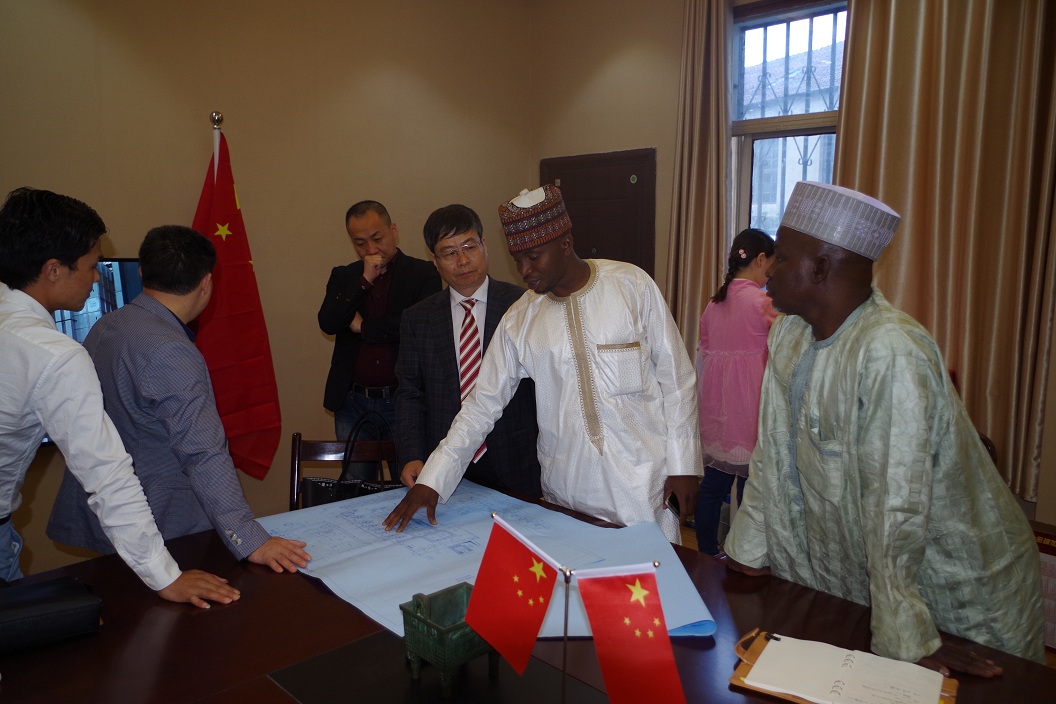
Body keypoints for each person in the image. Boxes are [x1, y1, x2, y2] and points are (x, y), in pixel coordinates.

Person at [723, 181, 1044, 675]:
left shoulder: (890, 350)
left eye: (781, 258)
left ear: (820, 268)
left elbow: (896, 506)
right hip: (862, 594)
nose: (768, 273)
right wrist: (749, 551)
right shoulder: (790, 333)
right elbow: (773, 454)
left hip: (955, 595)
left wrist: (906, 636)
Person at [384, 184, 702, 542]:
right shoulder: (520, 319)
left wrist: (684, 463)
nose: (524, 270)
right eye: (517, 259)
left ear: (565, 244)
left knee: (653, 573)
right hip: (567, 492)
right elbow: (480, 406)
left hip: (645, 483)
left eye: (533, 257)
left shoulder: (630, 285)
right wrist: (433, 481)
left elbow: (677, 379)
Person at [0, 187, 238, 607]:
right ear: (53, 270)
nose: (96, 278)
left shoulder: (102, 327)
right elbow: (107, 474)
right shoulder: (55, 354)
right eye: (92, 266)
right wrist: (165, 576)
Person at [47, 226, 311, 573]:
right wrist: (250, 538)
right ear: (206, 282)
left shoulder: (108, 325)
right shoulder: (170, 350)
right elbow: (203, 452)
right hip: (158, 523)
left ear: (142, 272)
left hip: (107, 510)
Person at [394, 204, 541, 497]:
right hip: (445, 464)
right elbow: (409, 393)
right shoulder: (418, 318)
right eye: (449, 253)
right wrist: (411, 454)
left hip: (517, 460)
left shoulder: (523, 306)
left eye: (469, 247)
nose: (462, 261)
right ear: (435, 261)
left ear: (484, 246)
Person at [318, 201, 441, 479]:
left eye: (377, 238)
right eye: (360, 243)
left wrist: (364, 327)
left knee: (409, 483)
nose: (371, 249)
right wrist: (364, 280)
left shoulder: (423, 273)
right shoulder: (345, 276)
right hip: (352, 401)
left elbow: (416, 327)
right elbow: (328, 322)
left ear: (393, 231)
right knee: (355, 487)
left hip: (404, 401)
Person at [694, 228, 776, 555]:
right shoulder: (763, 302)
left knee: (712, 489)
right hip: (751, 410)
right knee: (750, 491)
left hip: (717, 411)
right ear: (760, 259)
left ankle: (705, 553)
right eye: (771, 265)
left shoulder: (713, 305)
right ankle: (743, 554)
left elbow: (703, 358)